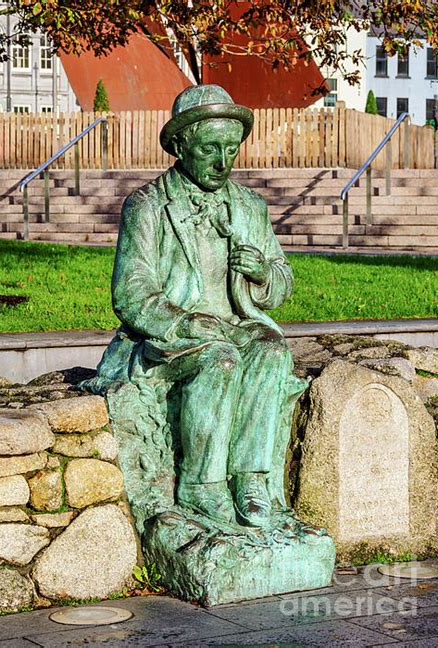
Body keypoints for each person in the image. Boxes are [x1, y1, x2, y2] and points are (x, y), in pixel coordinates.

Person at [88, 84, 295, 528]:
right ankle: (202, 486)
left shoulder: (249, 207)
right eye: (209, 149)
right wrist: (184, 322)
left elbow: (281, 281)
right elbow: (131, 293)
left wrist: (261, 273)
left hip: (235, 323)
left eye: (230, 148)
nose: (223, 162)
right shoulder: (147, 206)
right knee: (219, 359)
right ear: (180, 146)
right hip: (171, 338)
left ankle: (251, 477)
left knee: (272, 351)